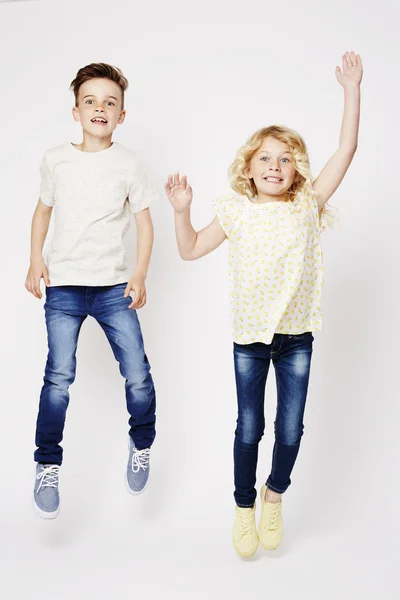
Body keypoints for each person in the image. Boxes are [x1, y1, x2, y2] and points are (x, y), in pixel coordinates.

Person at [165, 52, 362, 556]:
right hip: (250, 341)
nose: (275, 165)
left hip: (297, 337)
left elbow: (346, 149)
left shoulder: (305, 204)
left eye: (285, 158)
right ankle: (243, 506)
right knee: (249, 426)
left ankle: (274, 496)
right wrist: (182, 213)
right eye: (265, 158)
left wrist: (351, 88)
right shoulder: (234, 210)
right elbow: (188, 251)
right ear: (248, 169)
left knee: (290, 427)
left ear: (296, 172)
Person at [26, 63, 159, 519]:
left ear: (121, 115)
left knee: (137, 371)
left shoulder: (129, 164)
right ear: (75, 110)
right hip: (63, 285)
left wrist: (138, 274)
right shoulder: (55, 160)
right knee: (59, 378)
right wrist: (35, 259)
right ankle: (47, 463)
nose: (100, 108)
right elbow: (42, 212)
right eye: (91, 100)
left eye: (110, 102)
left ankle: (141, 443)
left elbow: (145, 223)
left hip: (113, 287)